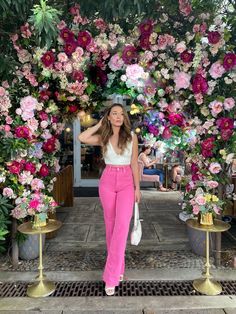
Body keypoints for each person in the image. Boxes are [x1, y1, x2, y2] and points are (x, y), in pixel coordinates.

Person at [78, 103, 141, 296]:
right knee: (111, 226)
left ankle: (110, 276)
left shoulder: (131, 137)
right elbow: (82, 137)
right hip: (107, 180)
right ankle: (119, 268)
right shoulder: (103, 137)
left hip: (126, 182)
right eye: (114, 114)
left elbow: (134, 164)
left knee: (122, 225)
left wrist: (137, 188)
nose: (118, 117)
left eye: (121, 114)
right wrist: (99, 124)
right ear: (109, 117)